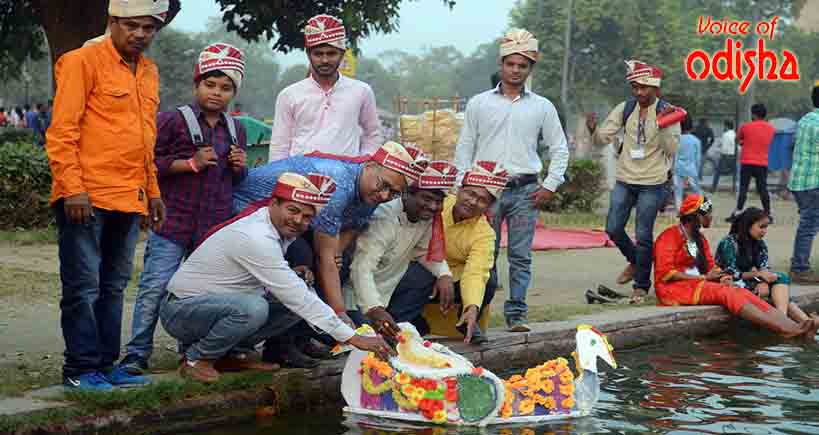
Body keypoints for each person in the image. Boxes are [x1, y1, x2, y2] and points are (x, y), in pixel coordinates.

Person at [160, 173, 395, 383]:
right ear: (274, 203)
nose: (298, 220)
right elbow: (296, 296)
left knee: (292, 298)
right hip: (180, 311)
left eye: (306, 217)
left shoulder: (277, 230)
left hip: (214, 305)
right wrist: (352, 337)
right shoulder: (256, 236)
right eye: (293, 210)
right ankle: (195, 359)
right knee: (254, 308)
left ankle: (232, 354)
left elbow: (293, 294)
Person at [45, 0, 169, 391]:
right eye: (132, 26)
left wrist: (152, 192)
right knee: (83, 287)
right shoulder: (81, 61)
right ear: (112, 22)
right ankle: (80, 370)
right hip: (86, 198)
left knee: (114, 287)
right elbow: (62, 132)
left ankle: (105, 365)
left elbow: (145, 140)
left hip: (129, 198)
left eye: (148, 28)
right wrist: (73, 189)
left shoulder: (148, 72)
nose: (140, 35)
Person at [232, 141, 427, 366]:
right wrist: (340, 315)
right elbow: (324, 257)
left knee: (337, 263)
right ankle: (278, 346)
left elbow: (354, 225)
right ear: (370, 165)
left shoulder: (371, 190)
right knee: (305, 260)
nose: (384, 195)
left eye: (393, 193)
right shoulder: (338, 184)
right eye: (383, 185)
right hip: (249, 210)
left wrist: (337, 253)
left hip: (293, 222)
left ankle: (300, 337)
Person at [117, 43, 249, 375]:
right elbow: (148, 165)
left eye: (225, 87)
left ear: (234, 92)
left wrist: (239, 166)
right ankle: (136, 353)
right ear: (196, 85)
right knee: (155, 285)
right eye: (210, 84)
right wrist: (189, 164)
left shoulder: (237, 128)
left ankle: (190, 351)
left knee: (202, 292)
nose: (216, 93)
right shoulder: (173, 120)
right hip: (173, 221)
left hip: (212, 228)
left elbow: (236, 180)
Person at [454, 29, 569, 332]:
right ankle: (477, 313)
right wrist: (462, 184)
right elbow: (465, 145)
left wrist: (550, 185)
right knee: (482, 254)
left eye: (523, 65)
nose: (516, 70)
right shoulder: (479, 103)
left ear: (530, 68)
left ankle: (517, 314)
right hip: (484, 192)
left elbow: (560, 148)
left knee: (520, 255)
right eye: (511, 64)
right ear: (501, 64)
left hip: (525, 190)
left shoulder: (542, 106)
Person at [654, 194, 818, 339]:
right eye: (708, 214)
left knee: (738, 291)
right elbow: (666, 273)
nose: (711, 217)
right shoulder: (669, 236)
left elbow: (713, 267)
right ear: (695, 217)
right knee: (728, 293)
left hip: (698, 284)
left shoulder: (699, 239)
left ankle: (792, 326)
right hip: (673, 289)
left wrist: (723, 277)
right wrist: (704, 278)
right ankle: (783, 329)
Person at [590, 60, 681, 303]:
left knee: (643, 234)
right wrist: (593, 130)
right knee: (613, 228)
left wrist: (662, 124)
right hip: (625, 179)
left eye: (643, 88)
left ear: (656, 89)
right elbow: (602, 139)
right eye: (635, 87)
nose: (639, 92)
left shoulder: (669, 111)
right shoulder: (625, 108)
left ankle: (641, 285)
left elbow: (672, 149)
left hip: (653, 182)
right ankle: (636, 260)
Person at [390, 161, 505, 344]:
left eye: (483, 200)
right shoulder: (437, 204)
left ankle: (465, 319)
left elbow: (476, 271)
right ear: (459, 190)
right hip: (419, 266)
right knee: (421, 275)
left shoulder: (484, 232)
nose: (473, 202)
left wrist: (472, 305)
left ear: (489, 207)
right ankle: (398, 324)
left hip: (454, 280)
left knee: (489, 280)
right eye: (470, 193)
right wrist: (439, 274)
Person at [346, 161, 458, 338]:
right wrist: (374, 308)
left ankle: (394, 326)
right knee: (363, 337)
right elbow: (361, 268)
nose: (433, 207)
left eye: (439, 201)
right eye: (427, 198)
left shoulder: (425, 217)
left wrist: (444, 275)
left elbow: (422, 252)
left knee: (425, 276)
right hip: (356, 296)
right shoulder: (383, 217)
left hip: (387, 290)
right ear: (406, 194)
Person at [268, 14, 382, 161]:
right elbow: (279, 146)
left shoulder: (361, 91)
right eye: (318, 54)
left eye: (331, 53)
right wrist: (280, 177)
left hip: (348, 175)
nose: (325, 60)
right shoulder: (289, 95)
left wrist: (362, 165)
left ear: (342, 53)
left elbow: (373, 134)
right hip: (300, 177)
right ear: (308, 54)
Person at [715, 208, 813, 324]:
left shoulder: (759, 244)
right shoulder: (729, 243)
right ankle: (797, 322)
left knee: (781, 277)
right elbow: (730, 273)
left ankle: (787, 319)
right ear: (748, 226)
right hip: (729, 283)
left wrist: (763, 282)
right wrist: (759, 275)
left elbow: (764, 268)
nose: (764, 231)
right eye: (761, 227)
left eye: (766, 227)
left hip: (749, 280)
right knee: (777, 291)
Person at [729, 103, 775, 221]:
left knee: (744, 187)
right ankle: (768, 213)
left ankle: (738, 211)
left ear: (753, 114)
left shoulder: (746, 127)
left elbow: (737, 140)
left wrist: (744, 143)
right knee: (762, 188)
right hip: (762, 162)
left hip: (747, 161)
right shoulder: (771, 129)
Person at [673, 115, 702, 211]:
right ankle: (699, 209)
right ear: (691, 127)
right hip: (691, 170)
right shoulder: (696, 141)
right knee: (696, 191)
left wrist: (672, 170)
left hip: (678, 170)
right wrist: (697, 171)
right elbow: (697, 159)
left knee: (678, 193)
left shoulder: (676, 139)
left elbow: (674, 156)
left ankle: (679, 211)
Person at [711, 120, 736, 192]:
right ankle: (735, 188)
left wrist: (719, 152)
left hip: (726, 156)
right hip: (733, 155)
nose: (723, 127)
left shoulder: (725, 135)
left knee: (717, 173)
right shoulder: (734, 134)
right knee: (735, 172)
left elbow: (724, 148)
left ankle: (713, 188)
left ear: (726, 126)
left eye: (724, 126)